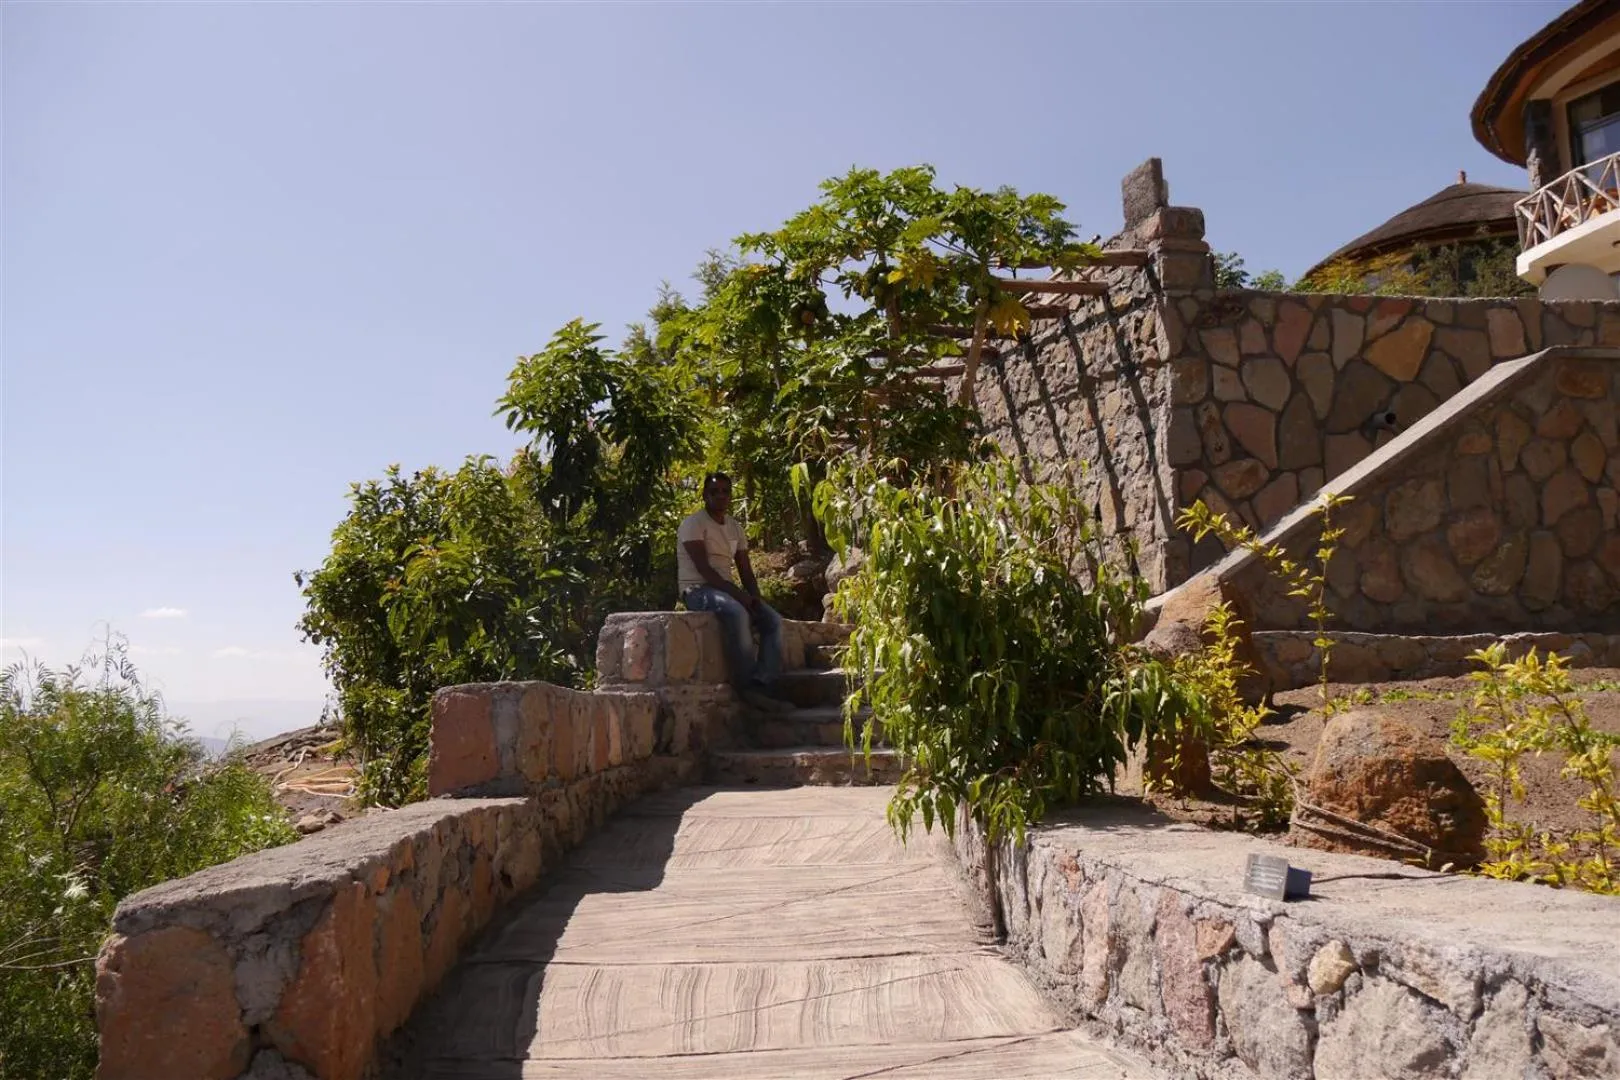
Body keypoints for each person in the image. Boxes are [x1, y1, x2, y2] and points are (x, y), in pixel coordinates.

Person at [677, 472, 791, 710]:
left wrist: (756, 600)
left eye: (725, 491)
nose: (720, 496)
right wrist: (740, 597)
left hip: (725, 590)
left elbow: (745, 571)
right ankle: (746, 687)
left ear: (730, 495)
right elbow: (705, 571)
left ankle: (763, 684)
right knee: (737, 613)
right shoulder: (693, 524)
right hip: (697, 590)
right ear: (705, 495)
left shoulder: (735, 528)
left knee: (773, 621)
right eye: (714, 491)